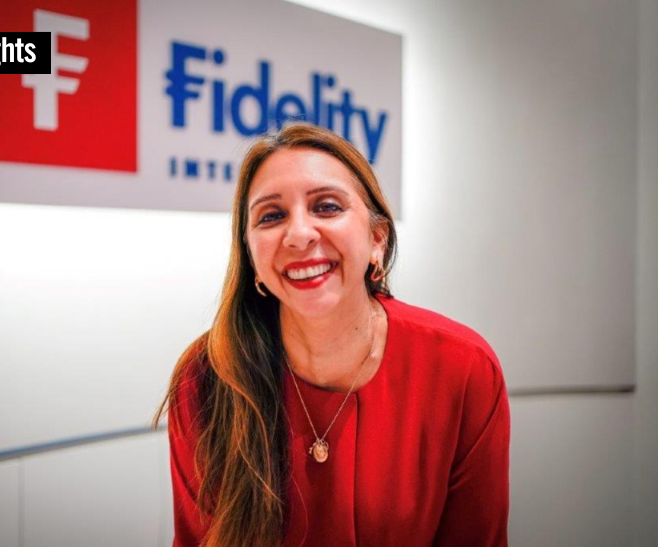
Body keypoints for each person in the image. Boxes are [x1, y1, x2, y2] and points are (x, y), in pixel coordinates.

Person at [155, 122, 510, 546]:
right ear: (250, 255)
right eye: (271, 216)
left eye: (326, 207)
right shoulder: (207, 377)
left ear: (377, 239)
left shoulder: (462, 367)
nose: (300, 234)